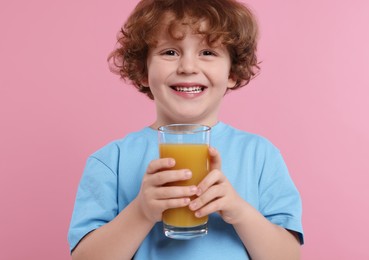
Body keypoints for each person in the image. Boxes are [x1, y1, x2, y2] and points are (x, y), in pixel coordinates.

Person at [68, 0, 304, 259]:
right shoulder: (111, 160)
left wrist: (239, 211)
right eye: (170, 52)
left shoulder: (260, 156)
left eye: (208, 52)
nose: (188, 67)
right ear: (143, 71)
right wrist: (141, 212)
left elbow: (288, 255)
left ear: (232, 73)